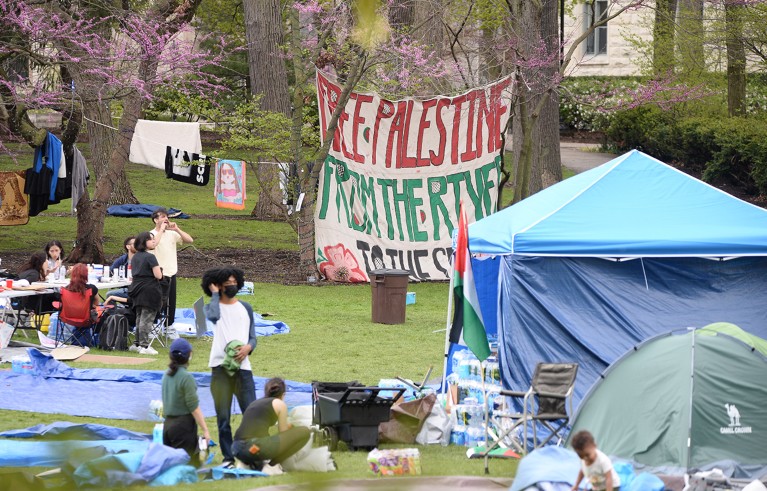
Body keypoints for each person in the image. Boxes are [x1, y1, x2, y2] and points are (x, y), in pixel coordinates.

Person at [202, 267, 257, 468]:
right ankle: (228, 458)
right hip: (220, 369)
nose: (232, 285)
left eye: (235, 282)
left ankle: (251, 455)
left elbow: (253, 336)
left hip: (243, 369)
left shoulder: (246, 307)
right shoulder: (211, 308)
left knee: (251, 414)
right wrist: (215, 294)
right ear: (218, 285)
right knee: (223, 418)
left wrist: (249, 347)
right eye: (227, 283)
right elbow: (214, 316)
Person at [232, 377, 310, 474]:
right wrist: (292, 427)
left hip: (236, 448)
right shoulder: (280, 404)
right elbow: (283, 433)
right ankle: (272, 466)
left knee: (264, 442)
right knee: (304, 432)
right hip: (253, 447)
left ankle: (246, 464)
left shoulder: (255, 403)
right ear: (283, 394)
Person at [161, 338, 211, 467]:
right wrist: (205, 430)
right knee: (186, 467)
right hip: (182, 427)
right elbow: (194, 407)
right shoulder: (186, 378)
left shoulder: (166, 375)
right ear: (189, 355)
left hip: (167, 426)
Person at [149, 207, 193, 328]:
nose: (166, 219)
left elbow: (190, 240)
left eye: (167, 217)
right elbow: (153, 244)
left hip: (171, 272)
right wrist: (161, 230)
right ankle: (153, 325)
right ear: (155, 220)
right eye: (162, 217)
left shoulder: (172, 234)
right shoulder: (150, 234)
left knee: (171, 302)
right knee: (157, 301)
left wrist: (177, 229)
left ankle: (169, 326)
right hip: (157, 274)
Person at [127, 231, 163, 355]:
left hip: (136, 288)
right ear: (144, 242)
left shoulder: (135, 256)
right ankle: (144, 345)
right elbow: (158, 275)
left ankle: (137, 343)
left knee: (139, 316)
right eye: (151, 239)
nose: (154, 241)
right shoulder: (150, 257)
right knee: (147, 318)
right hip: (149, 289)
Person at [105, 236, 135, 305]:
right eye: (135, 243)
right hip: (125, 287)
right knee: (110, 294)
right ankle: (114, 314)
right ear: (128, 247)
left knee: (109, 294)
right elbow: (111, 271)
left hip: (136, 289)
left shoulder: (142, 258)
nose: (138, 245)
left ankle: (112, 314)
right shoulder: (123, 259)